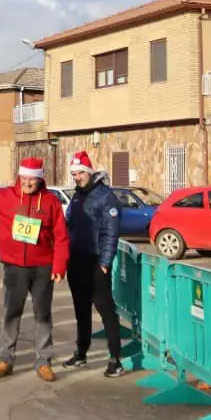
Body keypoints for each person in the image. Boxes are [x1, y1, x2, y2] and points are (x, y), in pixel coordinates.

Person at [0, 156, 69, 381]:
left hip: (43, 266)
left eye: (32, 179)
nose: (27, 182)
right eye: (23, 178)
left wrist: (59, 266)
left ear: (40, 179)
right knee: (11, 313)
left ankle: (43, 361)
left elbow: (61, 236)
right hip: (14, 266)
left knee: (42, 315)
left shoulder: (51, 202)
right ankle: (5, 359)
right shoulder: (5, 196)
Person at [64, 151, 124, 377]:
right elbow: (69, 224)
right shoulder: (77, 196)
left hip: (96, 262)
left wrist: (105, 262)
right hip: (76, 260)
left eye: (80, 173)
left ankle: (115, 359)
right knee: (81, 309)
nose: (77, 177)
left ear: (89, 172)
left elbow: (111, 232)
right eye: (74, 174)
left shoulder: (106, 197)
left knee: (105, 309)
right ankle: (81, 352)